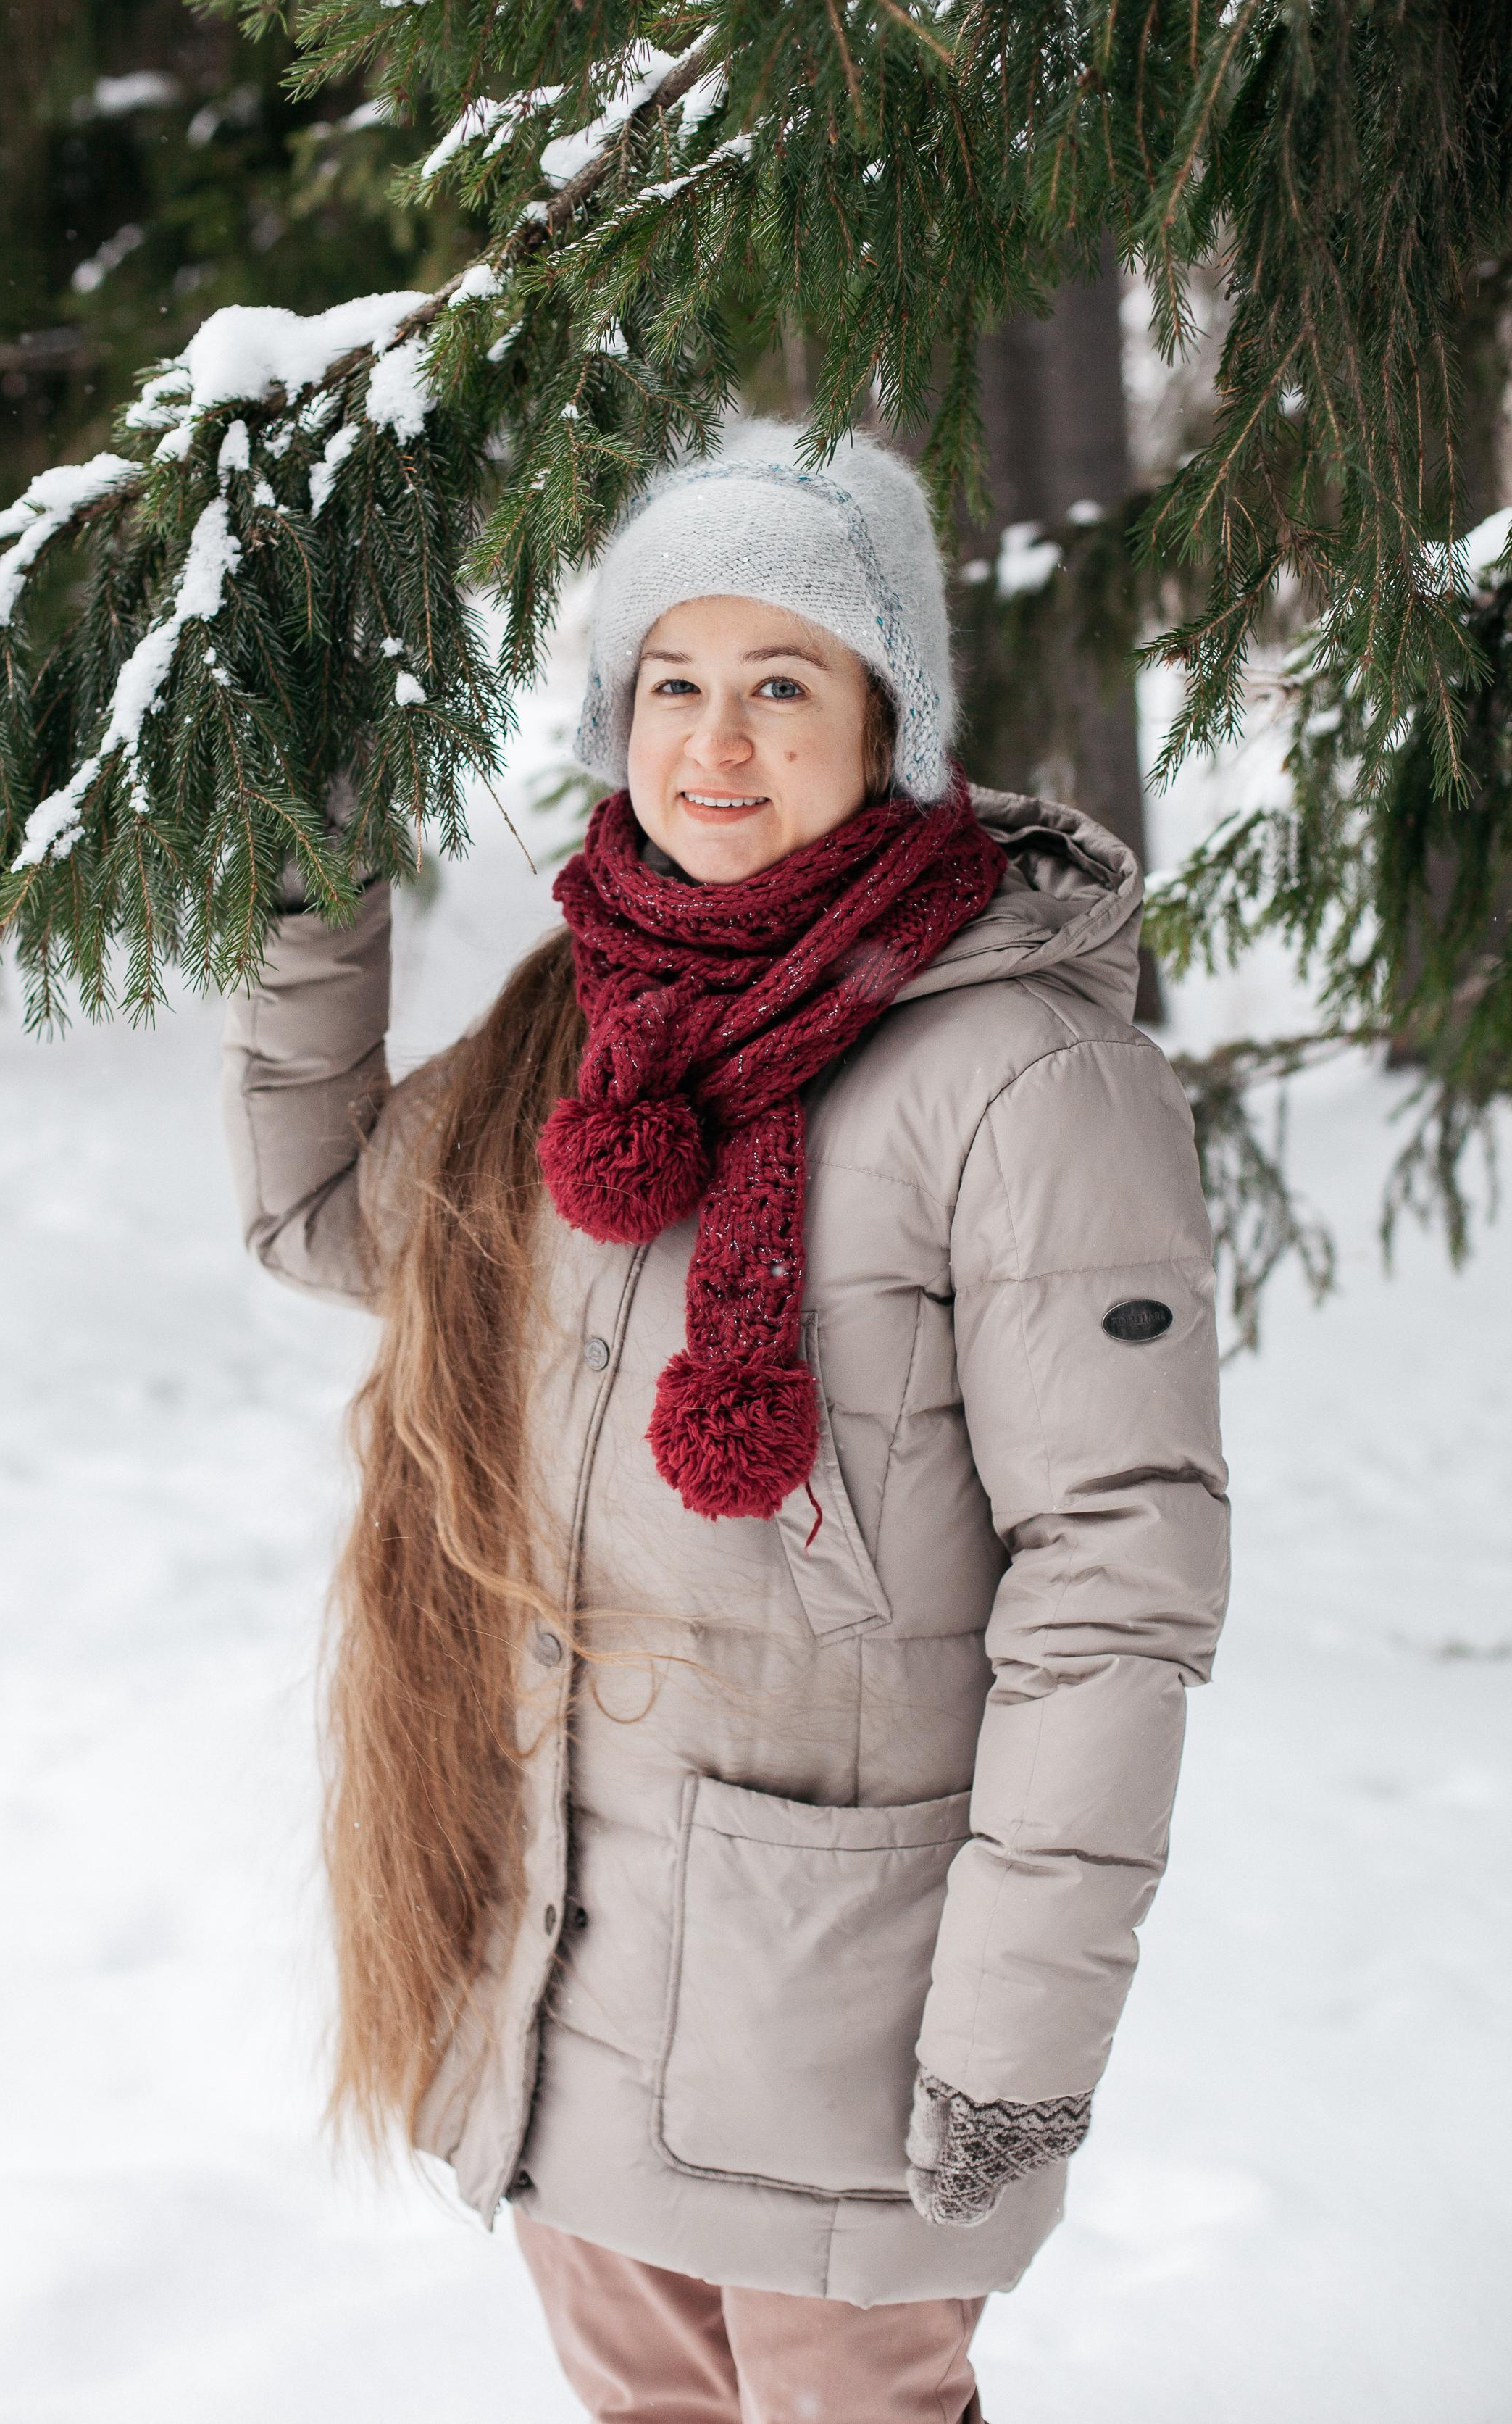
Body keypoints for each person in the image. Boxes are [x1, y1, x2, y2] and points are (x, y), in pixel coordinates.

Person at [220, 422, 1229, 2423]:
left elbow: (1118, 1583)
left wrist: (1012, 2043)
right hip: (574, 1969)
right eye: (673, 683)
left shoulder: (1026, 1075)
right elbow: (332, 1212)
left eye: (787, 683)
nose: (719, 743)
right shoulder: (578, 1032)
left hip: (850, 2008)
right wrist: (309, 864)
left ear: (892, 720)